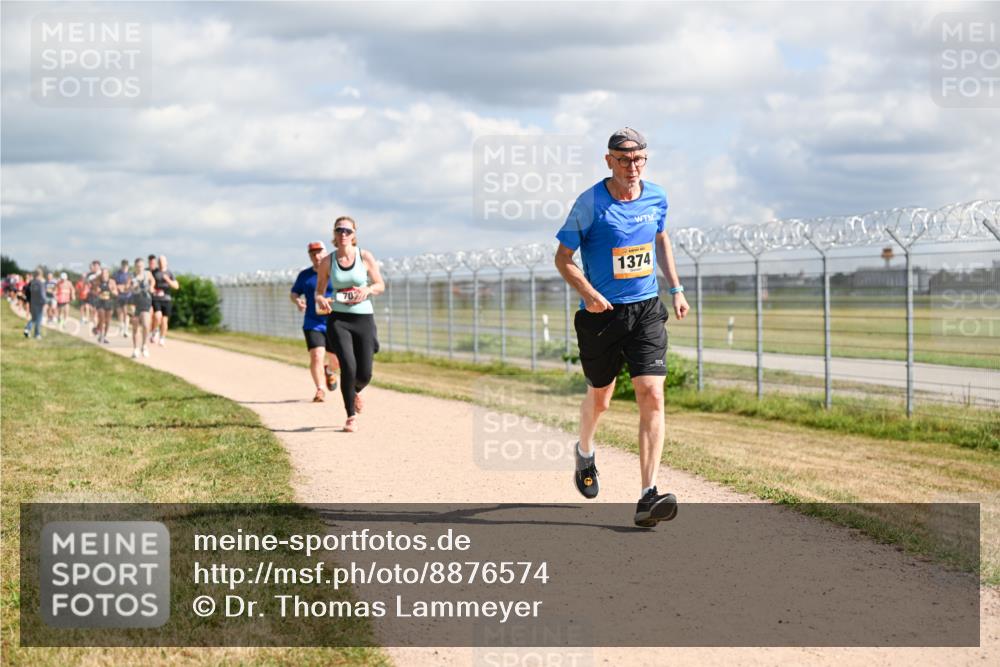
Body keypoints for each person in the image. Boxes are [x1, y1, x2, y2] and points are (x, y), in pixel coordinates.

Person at [554, 127, 690, 528]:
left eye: (640, 160)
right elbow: (562, 258)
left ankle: (648, 495)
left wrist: (676, 288)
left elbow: (660, 238)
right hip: (602, 314)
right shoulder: (589, 203)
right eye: (625, 160)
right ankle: (584, 451)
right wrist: (589, 293)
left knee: (652, 393)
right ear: (609, 160)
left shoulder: (657, 196)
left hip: (646, 308)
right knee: (601, 398)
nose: (634, 168)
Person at [314, 216, 385, 432]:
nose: (343, 234)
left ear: (354, 235)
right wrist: (321, 299)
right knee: (348, 366)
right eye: (339, 230)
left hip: (363, 318)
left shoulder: (364, 256)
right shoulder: (328, 261)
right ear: (334, 234)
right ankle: (350, 416)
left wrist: (368, 290)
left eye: (347, 230)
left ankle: (354, 391)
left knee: (364, 373)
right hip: (339, 320)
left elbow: (380, 284)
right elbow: (319, 291)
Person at [290, 241, 341, 402]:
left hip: (335, 322)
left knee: (337, 361)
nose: (317, 256)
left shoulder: (337, 273)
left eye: (320, 252)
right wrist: (297, 301)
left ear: (327, 253)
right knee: (317, 356)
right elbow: (294, 293)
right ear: (310, 256)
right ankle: (320, 389)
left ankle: (330, 371)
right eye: (313, 254)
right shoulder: (305, 275)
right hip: (313, 322)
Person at [151, 255, 179, 346]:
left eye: (162, 261)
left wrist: (168, 280)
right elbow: (150, 284)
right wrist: (153, 290)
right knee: (157, 316)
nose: (161, 263)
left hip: (166, 299)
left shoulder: (170, 273)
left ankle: (162, 338)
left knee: (164, 320)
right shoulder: (154, 272)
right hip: (156, 298)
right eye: (159, 261)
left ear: (166, 262)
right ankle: (155, 331)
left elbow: (176, 286)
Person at [129, 257, 154, 358]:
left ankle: (144, 346)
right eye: (138, 266)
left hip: (145, 301)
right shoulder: (132, 276)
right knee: (135, 326)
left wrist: (151, 286)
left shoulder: (147, 273)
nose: (140, 268)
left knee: (146, 324)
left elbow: (153, 281)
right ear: (135, 267)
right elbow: (128, 287)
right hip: (134, 302)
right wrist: (132, 286)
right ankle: (135, 348)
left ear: (143, 266)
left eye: (141, 266)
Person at [22, 269, 47, 339]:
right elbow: (42, 294)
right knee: (38, 319)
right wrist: (45, 302)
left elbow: (26, 291)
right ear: (40, 275)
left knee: (34, 318)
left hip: (32, 303)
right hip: (39, 303)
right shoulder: (40, 283)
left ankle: (27, 329)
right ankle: (37, 334)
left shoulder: (31, 283)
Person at [114, 259, 132, 337]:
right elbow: (113, 283)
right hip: (119, 295)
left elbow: (129, 285)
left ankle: (126, 329)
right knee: (119, 312)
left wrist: (124, 287)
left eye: (126, 265)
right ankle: (121, 326)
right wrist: (117, 287)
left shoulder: (130, 274)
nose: (124, 266)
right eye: (123, 265)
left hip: (127, 296)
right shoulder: (117, 274)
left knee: (126, 312)